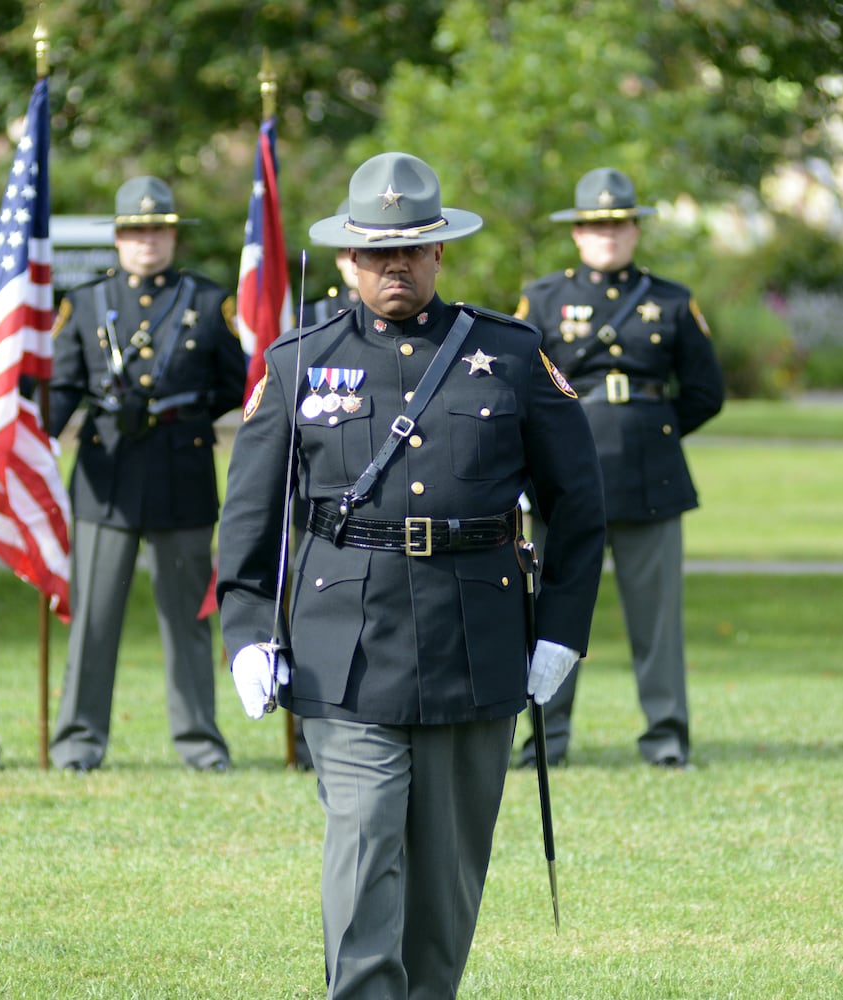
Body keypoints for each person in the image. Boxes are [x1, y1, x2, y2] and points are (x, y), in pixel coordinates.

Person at [216, 152, 607, 999]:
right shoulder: (297, 363)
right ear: (347, 260)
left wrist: (560, 633)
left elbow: (578, 506)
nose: (395, 265)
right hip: (343, 651)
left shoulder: (508, 357)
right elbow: (250, 516)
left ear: (439, 255)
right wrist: (247, 631)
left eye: (413, 249)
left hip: (477, 643)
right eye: (377, 252)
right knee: (361, 850)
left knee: (446, 878)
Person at [514, 166, 725, 770]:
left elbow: (706, 392)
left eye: (619, 224)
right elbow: (520, 388)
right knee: (554, 612)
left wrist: (654, 433)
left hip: (649, 477)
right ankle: (547, 740)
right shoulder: (544, 298)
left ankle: (666, 739)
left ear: (636, 231)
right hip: (564, 482)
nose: (608, 234)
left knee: (657, 621)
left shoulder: (671, 300)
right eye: (596, 225)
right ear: (577, 233)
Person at [47, 175, 246, 773]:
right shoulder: (83, 303)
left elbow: (238, 383)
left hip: (180, 470)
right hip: (105, 475)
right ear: (117, 237)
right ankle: (79, 743)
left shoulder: (209, 302)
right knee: (94, 618)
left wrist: (182, 415)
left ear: (172, 236)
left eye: (158, 230)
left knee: (187, 618)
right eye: (136, 231)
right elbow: (61, 389)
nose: (147, 241)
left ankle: (199, 743)